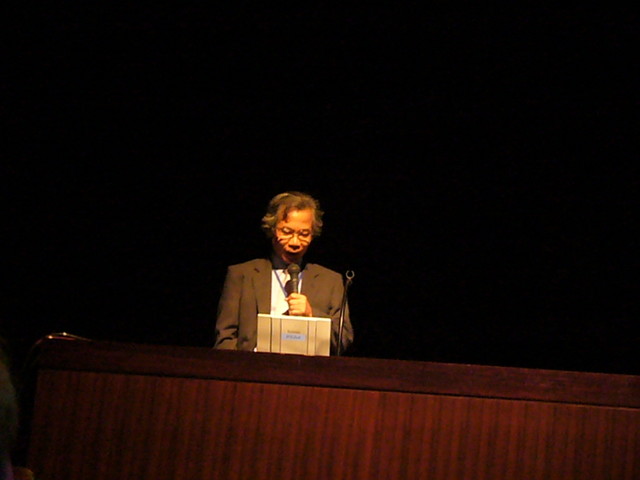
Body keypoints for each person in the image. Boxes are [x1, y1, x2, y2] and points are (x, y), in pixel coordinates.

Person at [214, 191, 354, 354]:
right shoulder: (242, 275)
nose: (295, 242)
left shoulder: (330, 281)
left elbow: (344, 339)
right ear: (273, 229)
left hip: (308, 367)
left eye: (304, 234)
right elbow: (225, 338)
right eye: (286, 232)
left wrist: (311, 314)